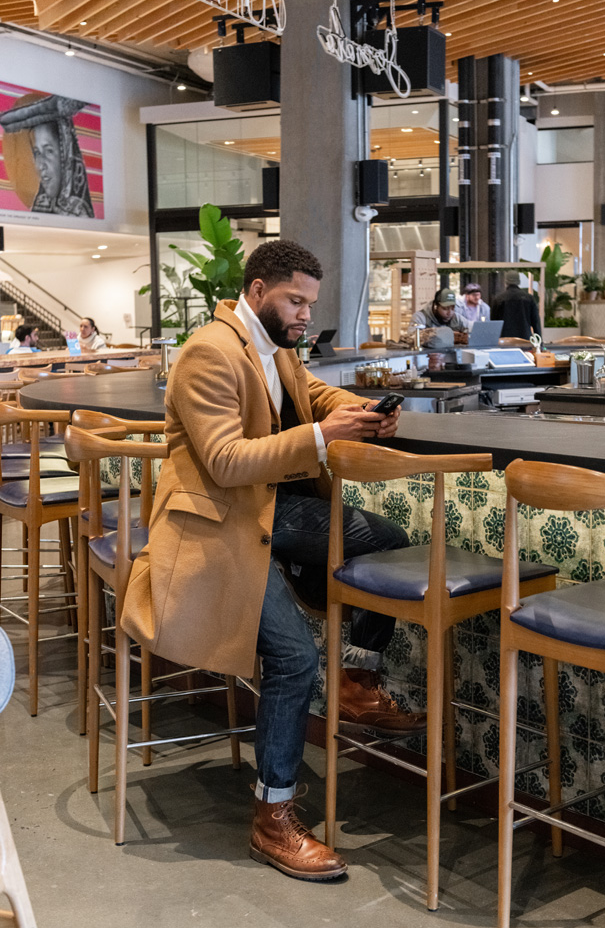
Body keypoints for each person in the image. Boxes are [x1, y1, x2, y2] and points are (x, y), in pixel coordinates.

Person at [122, 239, 424, 883]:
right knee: (292, 656)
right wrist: (322, 438)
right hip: (220, 528)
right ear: (257, 291)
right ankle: (273, 818)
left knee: (389, 538)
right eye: (295, 300)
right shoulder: (209, 350)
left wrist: (360, 414)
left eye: (309, 304)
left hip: (273, 514)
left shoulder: (277, 350)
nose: (304, 315)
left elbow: (316, 395)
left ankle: (358, 678)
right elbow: (227, 461)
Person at [0, 93, 94, 218]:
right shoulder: (42, 205)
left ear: (65, 156)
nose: (41, 165)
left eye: (49, 151)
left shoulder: (78, 214)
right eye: (37, 153)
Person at [490, 270, 541, 340]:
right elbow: (536, 323)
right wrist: (539, 343)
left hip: (504, 341)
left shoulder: (498, 299)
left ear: (506, 282)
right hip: (524, 339)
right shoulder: (529, 298)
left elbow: (494, 324)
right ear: (519, 282)